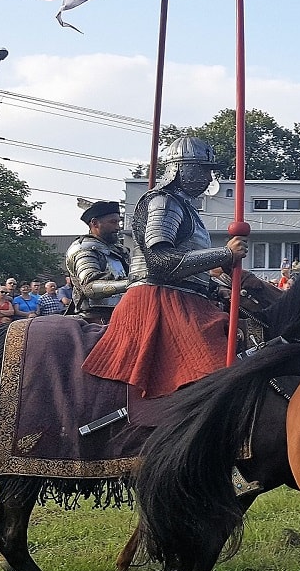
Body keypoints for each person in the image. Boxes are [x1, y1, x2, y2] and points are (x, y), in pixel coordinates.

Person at [84, 136, 248, 398]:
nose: (208, 177)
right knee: (214, 374)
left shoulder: (185, 206)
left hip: (184, 297)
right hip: (160, 299)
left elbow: (189, 270)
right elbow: (160, 263)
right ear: (182, 168)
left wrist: (216, 289)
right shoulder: (164, 202)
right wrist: (225, 254)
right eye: (203, 169)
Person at [65, 200, 133, 324]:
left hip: (123, 313)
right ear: (95, 223)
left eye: (119, 222)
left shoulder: (119, 250)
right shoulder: (84, 248)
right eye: (113, 222)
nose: (118, 227)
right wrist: (132, 282)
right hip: (94, 319)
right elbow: (89, 287)